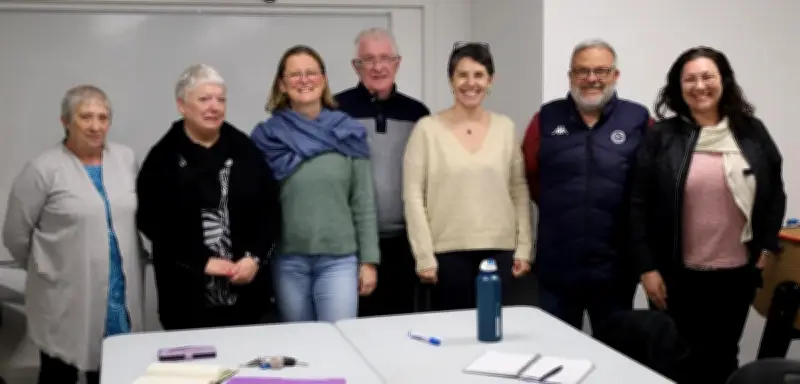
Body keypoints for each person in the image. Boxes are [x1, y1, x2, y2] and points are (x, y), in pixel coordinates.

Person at [629, 46, 786, 384]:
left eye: (707, 77)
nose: (700, 86)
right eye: (690, 79)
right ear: (678, 86)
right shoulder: (662, 136)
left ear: (723, 81)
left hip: (735, 275)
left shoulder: (751, 132)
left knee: (722, 357)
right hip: (674, 276)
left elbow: (774, 193)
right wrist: (646, 268)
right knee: (673, 359)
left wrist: (767, 244)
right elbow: (637, 205)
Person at [2, 85, 144, 384]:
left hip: (118, 291)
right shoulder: (43, 169)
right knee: (59, 371)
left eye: (103, 118)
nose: (95, 126)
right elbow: (16, 234)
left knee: (113, 371)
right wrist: (50, 268)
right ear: (66, 121)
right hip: (64, 293)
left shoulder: (125, 158)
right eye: (86, 117)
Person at [137, 64, 281, 330]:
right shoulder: (163, 157)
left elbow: (270, 209)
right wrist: (201, 262)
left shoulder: (244, 148)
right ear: (182, 105)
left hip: (247, 295)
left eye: (220, 99)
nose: (214, 107)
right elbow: (151, 221)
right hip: (186, 298)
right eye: (204, 99)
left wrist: (255, 258)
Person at [521, 39, 650, 331]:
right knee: (557, 349)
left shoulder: (638, 119)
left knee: (615, 350)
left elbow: (648, 186)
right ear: (570, 76)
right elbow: (529, 175)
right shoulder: (546, 118)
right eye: (582, 71)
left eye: (601, 70)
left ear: (615, 75)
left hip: (616, 267)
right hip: (558, 264)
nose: (591, 78)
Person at [251, 45, 380, 323]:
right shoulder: (266, 138)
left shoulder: (347, 132)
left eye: (311, 72)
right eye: (295, 75)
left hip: (339, 259)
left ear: (323, 80)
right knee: (300, 348)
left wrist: (368, 261)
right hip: (287, 261)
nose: (304, 80)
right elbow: (256, 205)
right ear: (282, 85)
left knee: (341, 342)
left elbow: (363, 201)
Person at [403, 42, 532, 311]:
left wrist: (524, 247)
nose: (470, 83)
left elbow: (519, 191)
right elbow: (413, 195)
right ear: (451, 80)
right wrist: (424, 255)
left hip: (500, 250)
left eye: (478, 75)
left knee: (495, 332)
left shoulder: (506, 128)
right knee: (455, 336)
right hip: (447, 254)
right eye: (462, 75)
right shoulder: (427, 130)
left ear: (490, 81)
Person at [335, 27, 430, 316]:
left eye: (385, 58)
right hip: (350, 244)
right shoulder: (335, 110)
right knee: (353, 328)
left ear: (397, 63)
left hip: (404, 243)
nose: (378, 67)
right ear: (356, 66)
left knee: (400, 327)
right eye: (368, 59)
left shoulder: (418, 114)